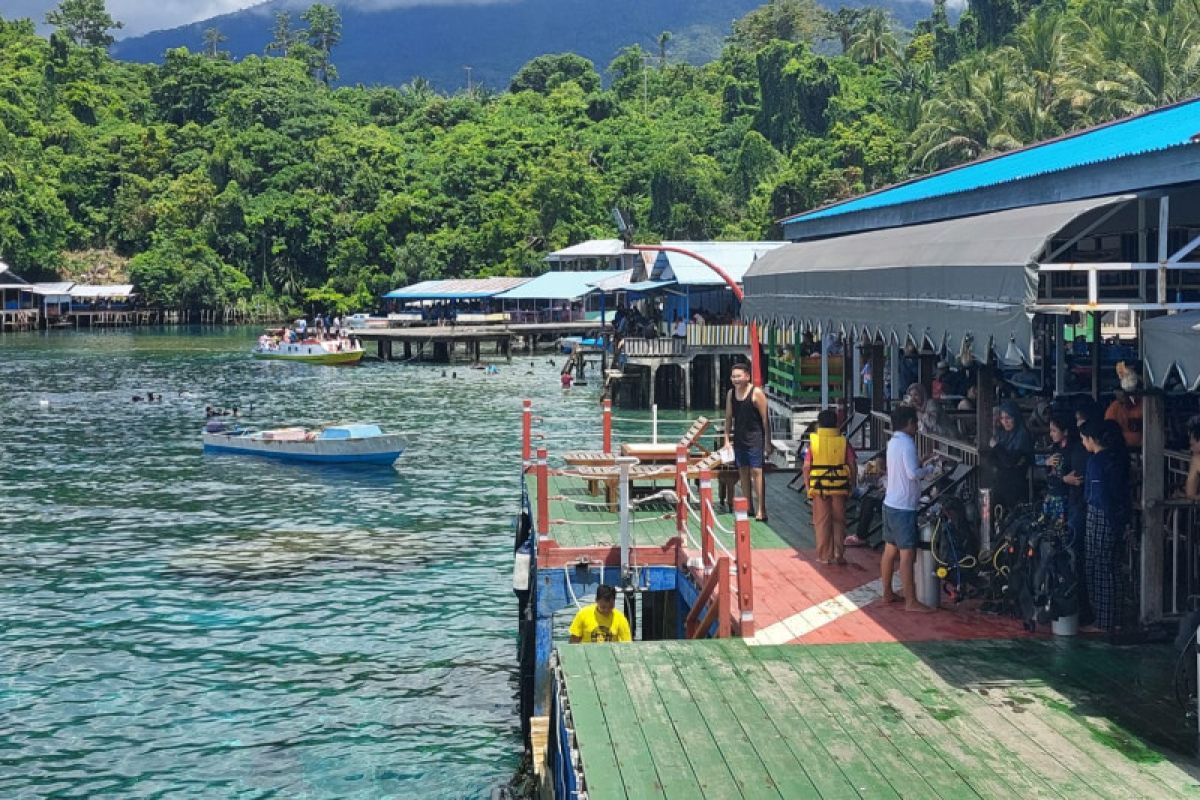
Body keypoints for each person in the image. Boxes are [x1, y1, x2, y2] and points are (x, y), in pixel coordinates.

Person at [881, 406, 938, 613]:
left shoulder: (893, 442)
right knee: (907, 554)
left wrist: (922, 460)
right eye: (915, 422)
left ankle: (887, 592)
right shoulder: (907, 443)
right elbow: (913, 474)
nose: (916, 426)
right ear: (908, 423)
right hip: (904, 507)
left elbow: (904, 468)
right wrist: (930, 469)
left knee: (889, 550)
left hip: (890, 502)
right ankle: (911, 600)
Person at [1080, 420, 1131, 633]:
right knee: (1113, 569)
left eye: (1084, 439)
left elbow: (1099, 496)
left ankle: (1103, 621)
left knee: (1099, 568)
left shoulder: (1096, 462)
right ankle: (1114, 618)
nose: (1083, 443)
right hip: (1116, 516)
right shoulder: (1118, 458)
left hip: (1101, 516)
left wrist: (1111, 519)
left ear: (1092, 440)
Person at [803, 409, 857, 564]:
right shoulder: (843, 442)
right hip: (839, 487)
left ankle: (824, 556)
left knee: (822, 522)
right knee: (839, 520)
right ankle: (839, 553)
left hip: (820, 488)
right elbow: (852, 465)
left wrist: (808, 487)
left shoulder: (814, 442)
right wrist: (852, 484)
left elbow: (806, 467)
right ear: (836, 424)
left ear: (819, 424)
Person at [723, 362, 772, 522]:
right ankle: (748, 505)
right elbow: (729, 418)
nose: (735, 379)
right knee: (743, 471)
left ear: (747, 376)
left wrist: (767, 442)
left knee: (757, 472)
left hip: (755, 437)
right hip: (739, 438)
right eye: (733, 376)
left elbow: (765, 420)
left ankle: (761, 508)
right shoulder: (731, 394)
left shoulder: (756, 393)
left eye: (738, 376)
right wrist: (726, 440)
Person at [987, 400, 1034, 512]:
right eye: (1002, 418)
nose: (1005, 422)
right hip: (1000, 482)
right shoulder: (1002, 434)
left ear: (1015, 417)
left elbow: (1009, 461)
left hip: (1016, 485)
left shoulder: (1022, 436)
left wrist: (997, 447)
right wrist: (1005, 462)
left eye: (1008, 418)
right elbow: (991, 460)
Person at [1105, 385, 1143, 449]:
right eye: (1120, 398)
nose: (1123, 399)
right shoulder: (1114, 408)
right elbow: (1109, 433)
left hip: (1146, 445)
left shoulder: (1143, 404)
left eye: (1125, 395)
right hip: (1121, 448)